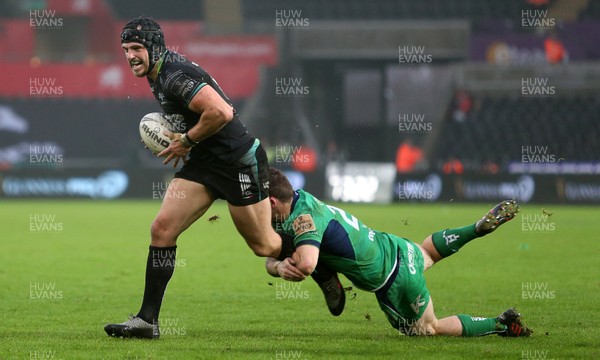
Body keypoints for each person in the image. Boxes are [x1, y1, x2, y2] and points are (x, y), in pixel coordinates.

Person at [104, 16, 341, 339]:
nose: (130, 55)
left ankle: (322, 264)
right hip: (205, 161)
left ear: (154, 47)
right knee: (162, 229)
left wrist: (185, 140)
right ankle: (148, 320)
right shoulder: (157, 71)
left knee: (264, 245)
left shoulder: (174, 75)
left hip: (237, 161)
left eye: (136, 48)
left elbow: (221, 112)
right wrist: (187, 138)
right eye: (125, 49)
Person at [265, 168, 533, 337]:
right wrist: (276, 264)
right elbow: (275, 252)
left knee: (428, 328)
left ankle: (501, 323)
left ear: (273, 201)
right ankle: (475, 229)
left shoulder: (305, 219)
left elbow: (307, 264)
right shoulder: (299, 199)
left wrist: (286, 267)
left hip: (393, 279)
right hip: (393, 246)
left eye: (260, 203)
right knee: (425, 253)